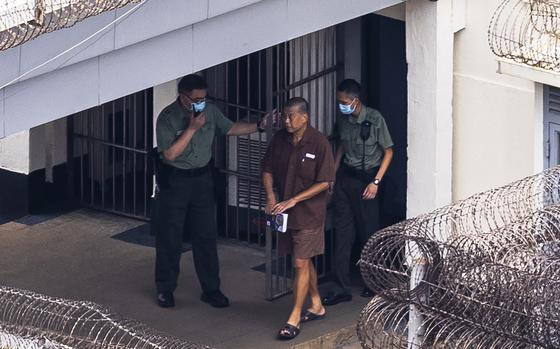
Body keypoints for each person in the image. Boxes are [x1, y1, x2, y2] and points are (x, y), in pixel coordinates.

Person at [154, 74, 270, 308]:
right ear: (183, 97)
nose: (200, 103)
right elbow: (170, 155)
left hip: (202, 179)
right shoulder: (168, 117)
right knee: (170, 236)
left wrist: (258, 126)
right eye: (196, 99)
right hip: (176, 180)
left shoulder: (211, 112)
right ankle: (165, 289)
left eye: (203, 98)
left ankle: (211, 288)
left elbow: (229, 128)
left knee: (205, 235)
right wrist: (192, 128)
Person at [262, 97, 335, 340]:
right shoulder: (280, 139)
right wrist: (271, 197)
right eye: (284, 116)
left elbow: (325, 181)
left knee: (300, 263)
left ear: (305, 117)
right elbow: (267, 169)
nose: (286, 121)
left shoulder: (319, 143)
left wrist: (295, 199)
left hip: (311, 213)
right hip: (285, 212)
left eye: (291, 116)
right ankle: (316, 304)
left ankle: (294, 317)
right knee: (302, 259)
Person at [321, 79, 394, 306]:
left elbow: (389, 151)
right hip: (346, 179)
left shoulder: (374, 119)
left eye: (344, 102)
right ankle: (341, 287)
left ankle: (373, 283)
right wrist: (332, 173)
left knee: (369, 235)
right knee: (343, 234)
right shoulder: (344, 120)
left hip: (367, 180)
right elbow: (342, 146)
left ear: (355, 100)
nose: (341, 105)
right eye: (339, 101)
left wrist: (376, 182)